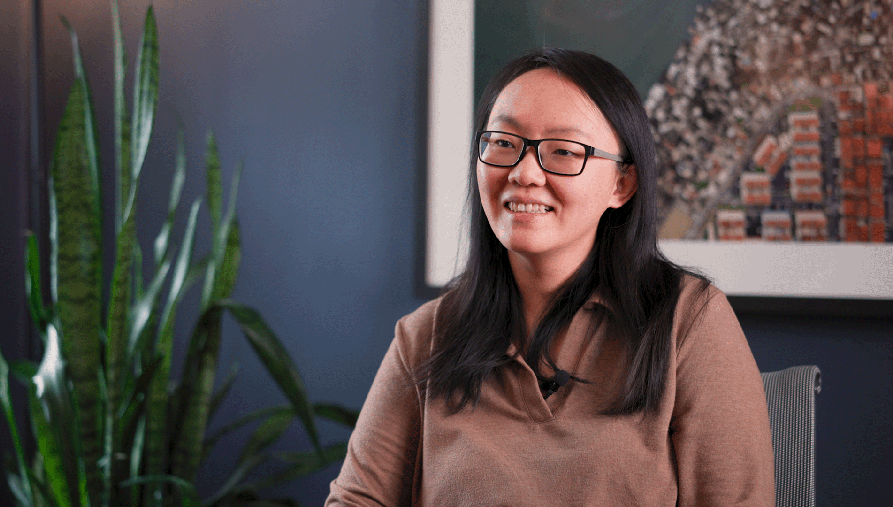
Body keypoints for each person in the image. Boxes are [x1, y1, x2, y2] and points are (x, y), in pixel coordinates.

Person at [326, 48, 774, 506]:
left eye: (562, 151)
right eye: (503, 142)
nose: (523, 173)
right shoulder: (427, 335)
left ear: (622, 184)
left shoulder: (687, 322)